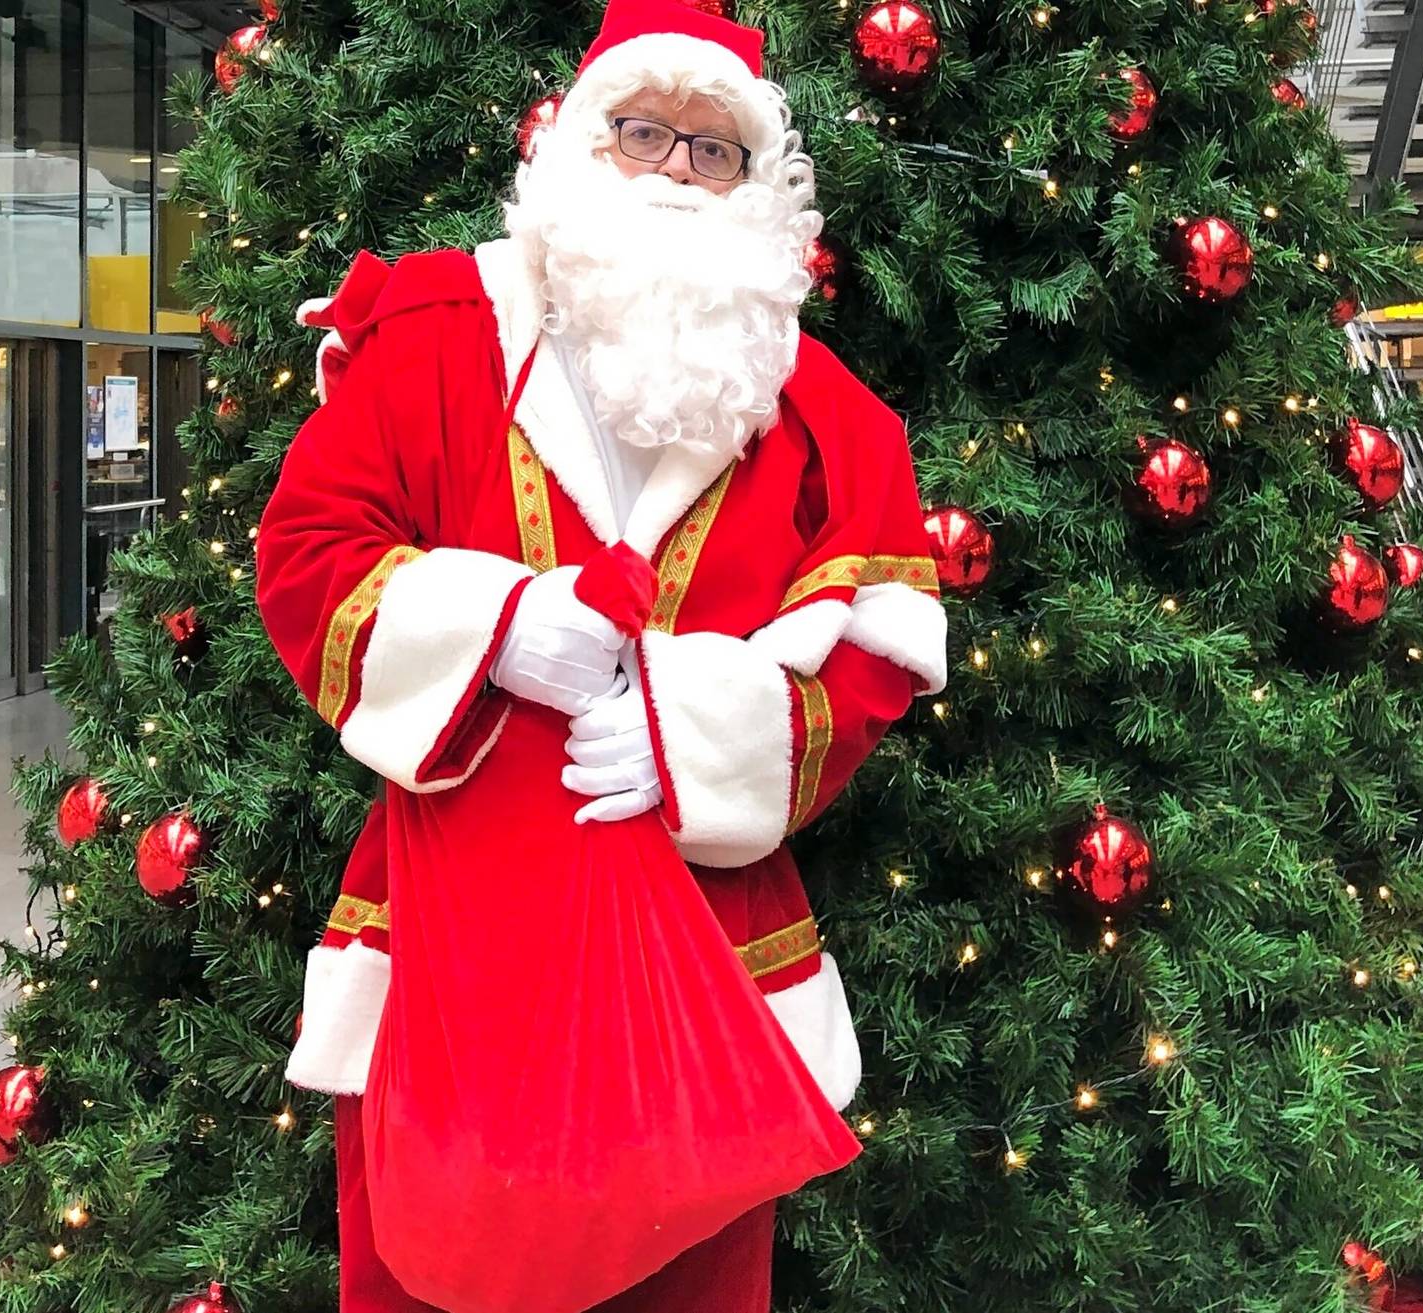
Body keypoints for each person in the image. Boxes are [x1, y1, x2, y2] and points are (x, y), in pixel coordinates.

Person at [254, 1, 947, 1307]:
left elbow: (873, 652)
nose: (676, 173)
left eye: (713, 150)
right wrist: (495, 628)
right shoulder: (438, 331)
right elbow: (307, 551)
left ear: (757, 186)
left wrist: (699, 732)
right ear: (580, 144)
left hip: (699, 966)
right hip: (451, 952)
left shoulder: (813, 402)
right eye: (643, 134)